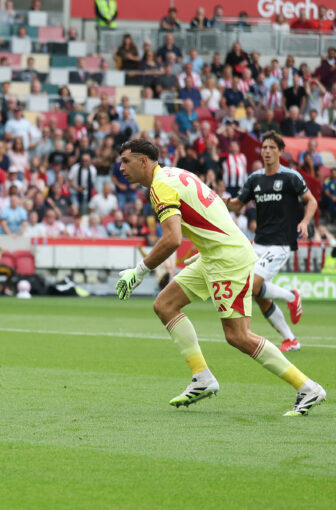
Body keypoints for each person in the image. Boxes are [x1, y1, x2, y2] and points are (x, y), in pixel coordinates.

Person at [114, 138, 325, 416]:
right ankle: (202, 377)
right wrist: (205, 247)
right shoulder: (176, 173)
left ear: (143, 161)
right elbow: (214, 208)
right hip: (214, 254)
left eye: (126, 161)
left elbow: (172, 239)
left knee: (238, 336)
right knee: (164, 304)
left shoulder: (160, 186)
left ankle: (308, 388)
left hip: (227, 260)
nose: (121, 168)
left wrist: (138, 271)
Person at [227, 132, 316, 352]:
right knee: (259, 295)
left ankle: (291, 296)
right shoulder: (255, 179)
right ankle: (290, 339)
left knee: (252, 285)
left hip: (281, 242)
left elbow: (311, 201)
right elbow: (238, 204)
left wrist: (305, 222)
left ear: (280, 151)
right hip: (259, 242)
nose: (267, 151)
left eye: (272, 148)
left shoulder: (290, 177)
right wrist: (223, 201)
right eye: (264, 147)